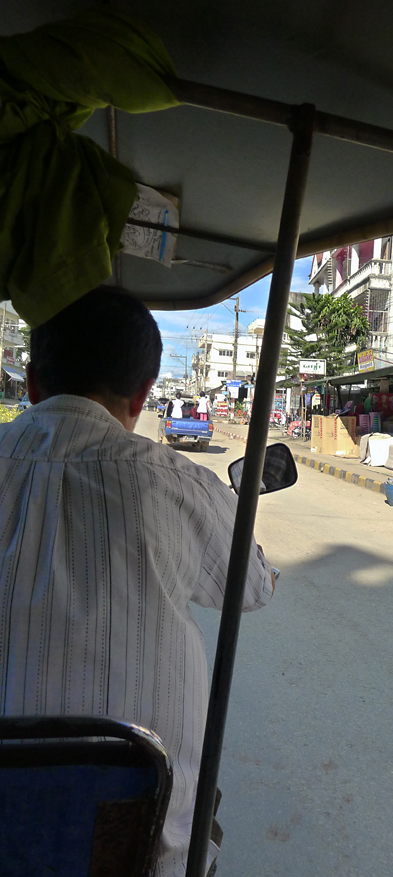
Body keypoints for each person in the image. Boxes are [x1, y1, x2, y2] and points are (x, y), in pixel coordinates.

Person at [0, 286, 274, 877]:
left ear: (31, 382)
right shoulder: (173, 481)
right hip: (143, 856)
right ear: (144, 393)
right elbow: (253, 588)